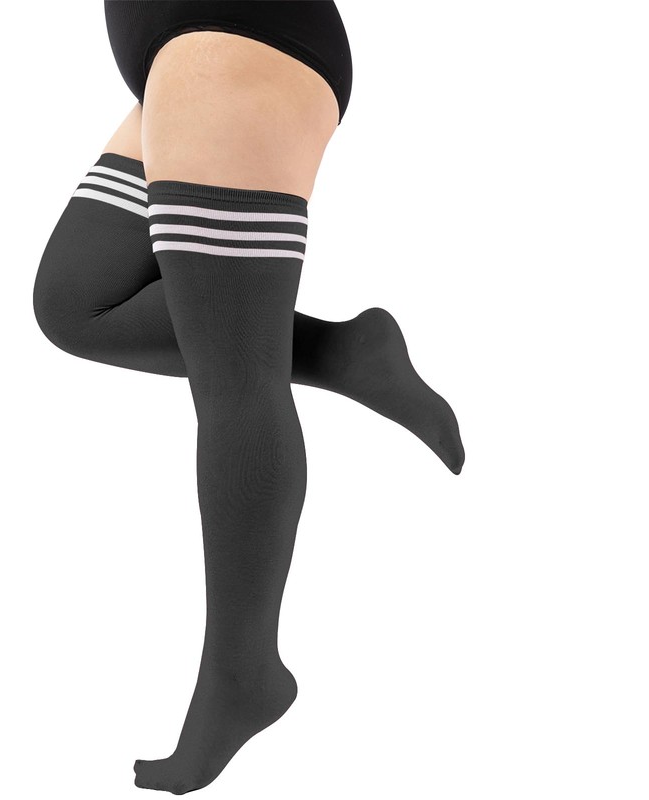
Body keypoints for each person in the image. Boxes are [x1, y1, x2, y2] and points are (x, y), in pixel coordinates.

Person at [33, 2, 464, 793]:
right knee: (76, 303)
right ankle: (346, 352)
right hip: (177, 49)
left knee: (237, 379)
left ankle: (243, 672)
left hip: (230, 31)